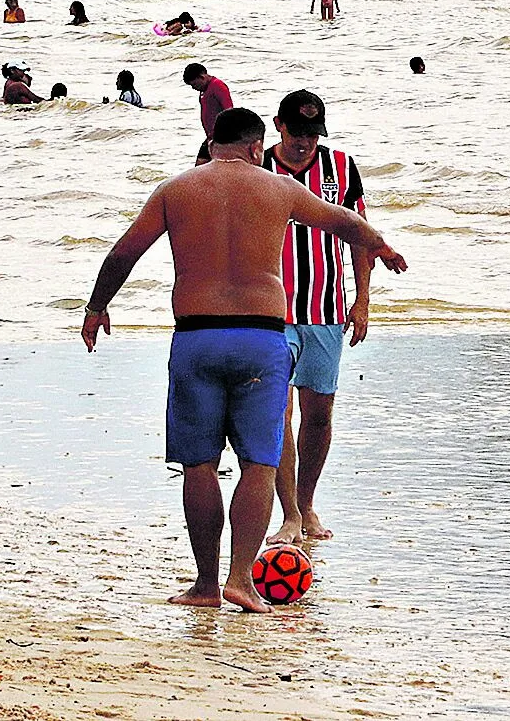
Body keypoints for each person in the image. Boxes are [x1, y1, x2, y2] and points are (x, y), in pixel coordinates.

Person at [80, 106, 406, 613]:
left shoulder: (175, 190)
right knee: (259, 463)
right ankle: (241, 581)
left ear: (213, 144)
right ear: (259, 148)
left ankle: (206, 584)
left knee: (199, 466)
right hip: (261, 339)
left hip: (196, 338)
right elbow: (345, 221)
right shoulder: (279, 189)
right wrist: (381, 247)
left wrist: (97, 307)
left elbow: (124, 253)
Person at [262, 90, 374, 545]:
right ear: (278, 125)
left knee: (319, 414)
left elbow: (358, 235)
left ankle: (306, 502)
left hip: (326, 307)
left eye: (313, 133)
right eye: (298, 132)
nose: (305, 142)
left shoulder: (342, 168)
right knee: (278, 409)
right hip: (271, 310)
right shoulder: (258, 167)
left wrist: (362, 299)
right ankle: (288, 511)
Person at [184, 63, 232, 162]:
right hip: (211, 136)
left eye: (195, 84)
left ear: (202, 77)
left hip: (220, 137)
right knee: (201, 165)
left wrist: (225, 136)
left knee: (204, 164)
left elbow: (229, 110)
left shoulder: (217, 85)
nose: (194, 88)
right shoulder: (204, 90)